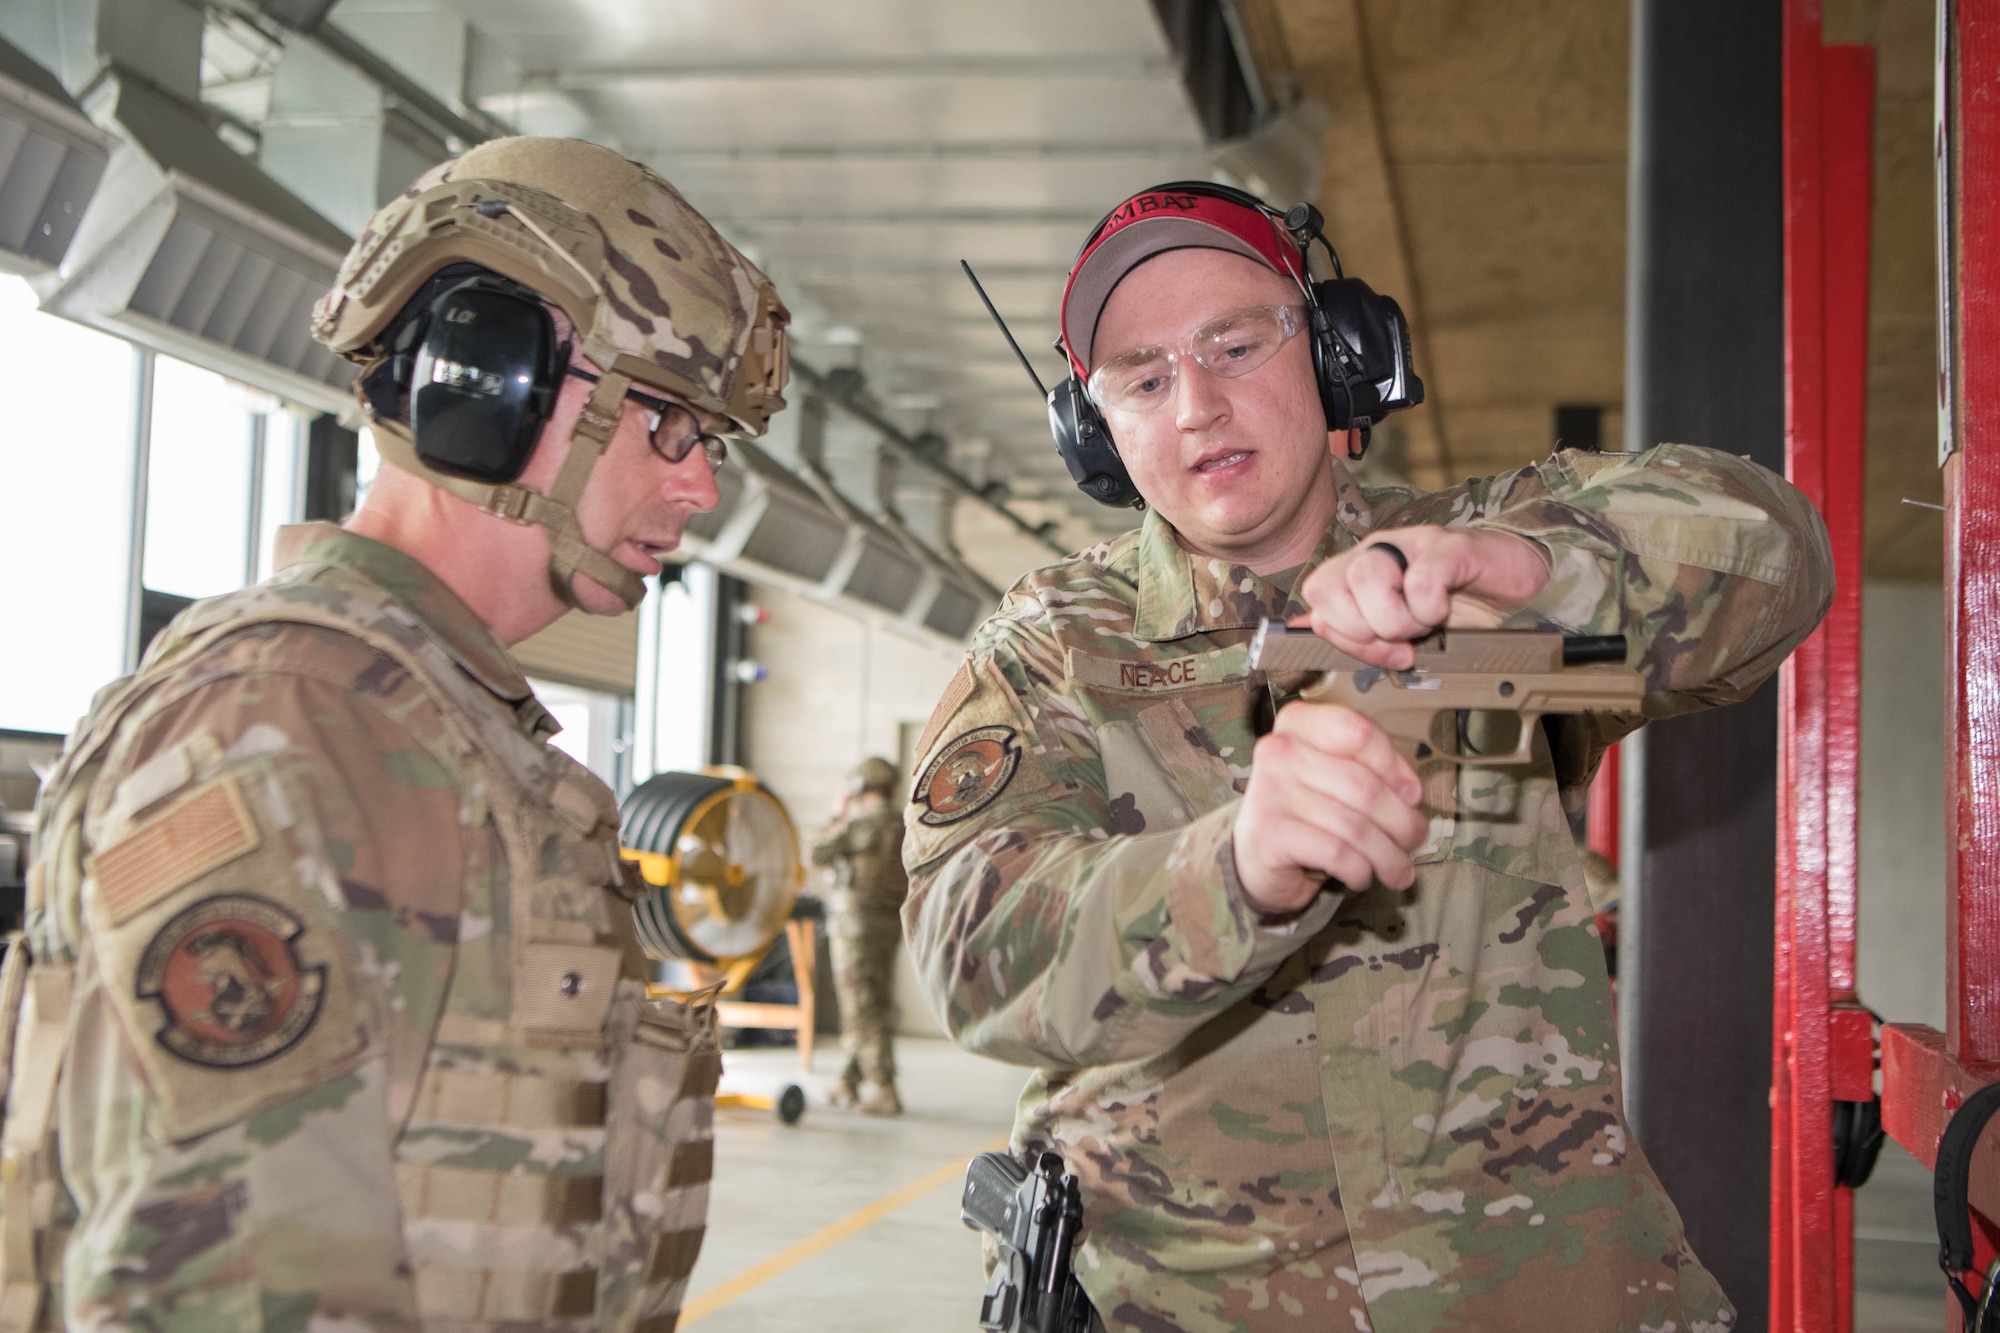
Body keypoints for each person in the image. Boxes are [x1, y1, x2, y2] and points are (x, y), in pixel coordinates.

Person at [902, 182, 1831, 1332]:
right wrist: (1230, 873)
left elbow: (1775, 555)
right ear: (1098, 432)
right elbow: (972, 949)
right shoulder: (1056, 645)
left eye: (1235, 345)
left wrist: (1523, 574)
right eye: (1142, 380)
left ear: (1337, 358)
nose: (1195, 406)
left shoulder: (1484, 574)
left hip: (1534, 1291)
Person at [2, 136, 790, 1329]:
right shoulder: (285, 728)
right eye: (671, 426)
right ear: (497, 383)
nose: (700, 490)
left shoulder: (444, 735)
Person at [810, 756, 909, 1115]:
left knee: (860, 1006)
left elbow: (817, 852)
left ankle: (883, 1087)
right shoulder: (902, 823)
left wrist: (838, 816)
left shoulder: (858, 823)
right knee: (871, 1000)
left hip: (854, 925)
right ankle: (848, 1081)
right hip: (887, 922)